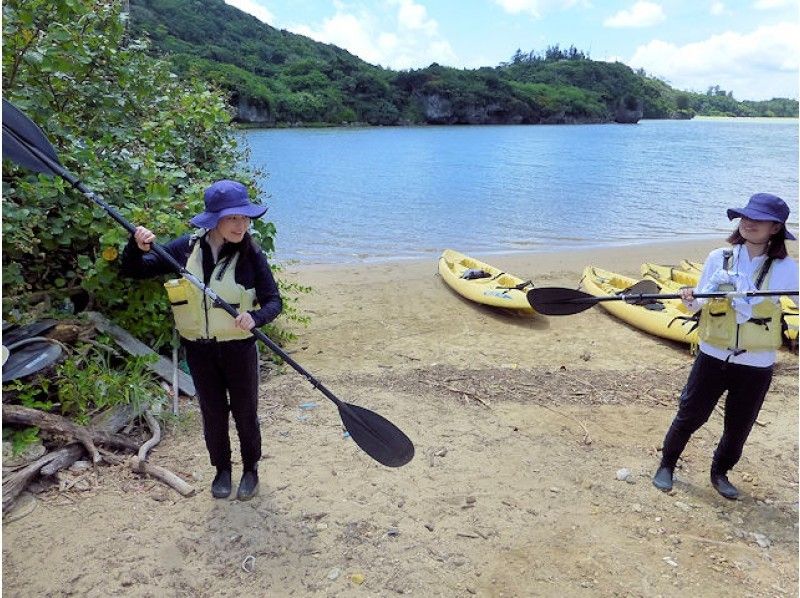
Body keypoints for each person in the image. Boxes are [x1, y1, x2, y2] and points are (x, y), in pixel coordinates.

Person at [121, 180, 282, 501]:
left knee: (245, 412)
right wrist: (135, 247)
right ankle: (222, 469)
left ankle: (251, 469)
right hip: (200, 351)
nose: (242, 225)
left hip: (239, 349)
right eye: (233, 218)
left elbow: (274, 301)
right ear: (215, 220)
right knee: (212, 413)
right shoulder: (186, 248)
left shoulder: (251, 254)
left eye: (245, 218)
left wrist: (256, 318)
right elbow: (135, 270)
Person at [652, 193, 798, 499]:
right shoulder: (719, 257)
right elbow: (698, 304)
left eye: (758, 219)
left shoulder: (786, 267)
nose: (749, 223)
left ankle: (720, 473)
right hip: (713, 355)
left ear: (775, 228)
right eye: (746, 217)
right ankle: (667, 464)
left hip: (756, 365)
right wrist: (690, 298)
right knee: (690, 415)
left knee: (738, 427)